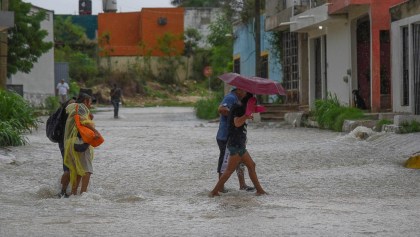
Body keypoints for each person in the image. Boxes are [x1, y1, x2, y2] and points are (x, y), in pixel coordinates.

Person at [210, 92, 267, 197]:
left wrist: (248, 116)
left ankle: (259, 190)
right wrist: (245, 116)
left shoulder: (240, 107)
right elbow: (236, 122)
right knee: (229, 170)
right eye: (253, 105)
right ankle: (214, 191)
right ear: (249, 102)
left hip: (239, 143)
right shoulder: (239, 108)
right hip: (236, 144)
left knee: (251, 165)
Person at [216, 87, 254, 192]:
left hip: (236, 137)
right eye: (245, 91)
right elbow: (221, 109)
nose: (246, 94)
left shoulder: (238, 101)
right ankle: (220, 187)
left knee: (240, 160)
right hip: (226, 136)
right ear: (239, 90)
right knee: (225, 161)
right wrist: (236, 114)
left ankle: (242, 185)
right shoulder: (231, 97)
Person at [63, 93, 100, 195]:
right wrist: (95, 131)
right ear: (85, 101)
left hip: (70, 143)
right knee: (87, 170)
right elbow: (83, 122)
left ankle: (73, 194)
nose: (90, 105)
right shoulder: (81, 107)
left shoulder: (72, 107)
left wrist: (89, 118)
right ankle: (83, 194)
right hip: (79, 141)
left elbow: (78, 121)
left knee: (77, 170)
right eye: (90, 102)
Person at [57, 98, 75, 198]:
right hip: (66, 143)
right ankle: (63, 191)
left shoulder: (63, 113)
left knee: (68, 168)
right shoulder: (69, 115)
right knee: (68, 169)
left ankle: (64, 190)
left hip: (64, 143)